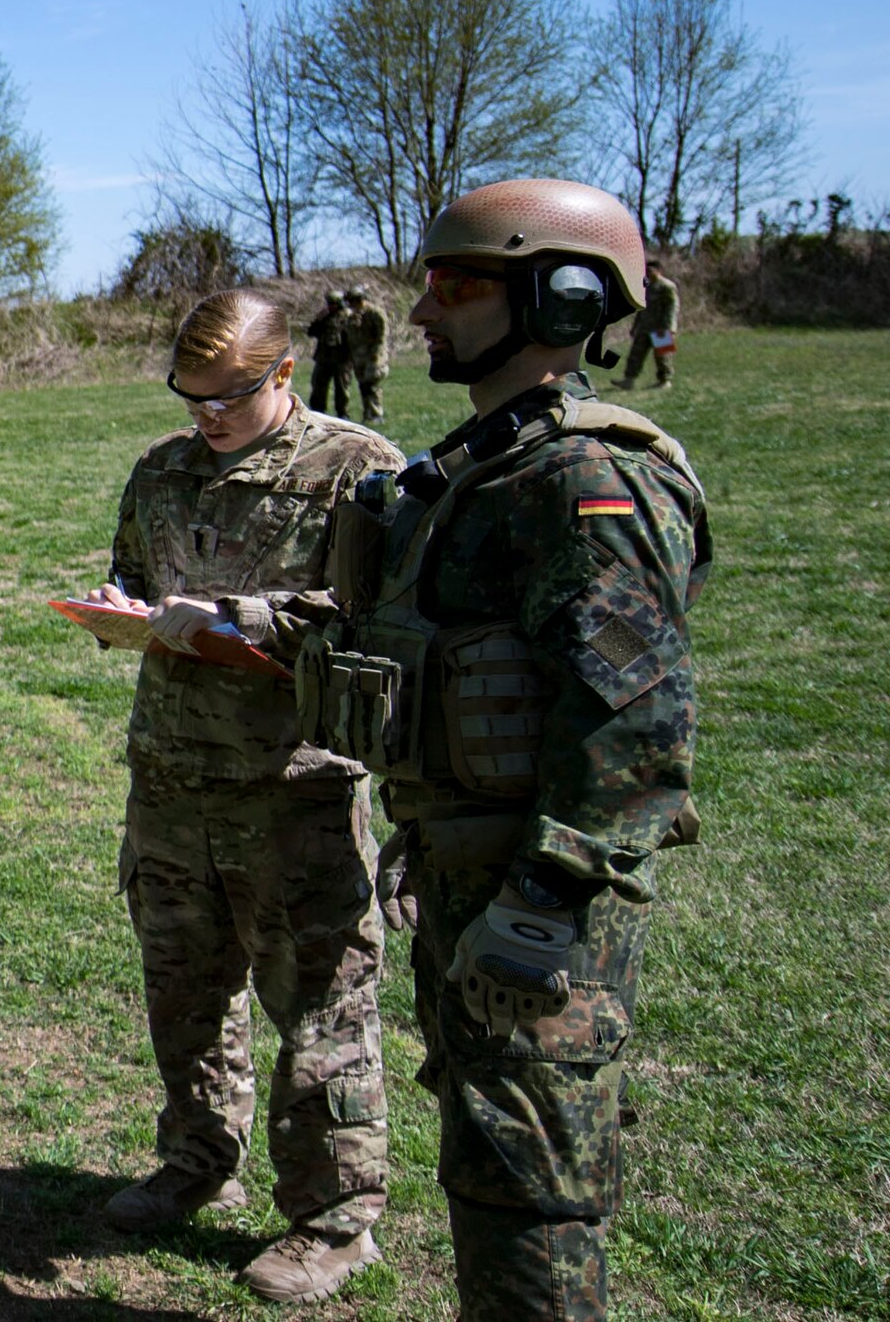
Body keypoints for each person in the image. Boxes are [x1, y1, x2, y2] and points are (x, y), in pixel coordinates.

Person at [298, 179, 710, 1318]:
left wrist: (538, 906)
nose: (423, 312)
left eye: (457, 283)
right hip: (466, 870)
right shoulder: (485, 462)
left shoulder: (585, 478)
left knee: (531, 1187)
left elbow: (633, 727)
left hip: (533, 896)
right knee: (489, 1167)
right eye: (428, 282)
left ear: (564, 299)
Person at [84, 289, 404, 1303]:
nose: (204, 419)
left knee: (316, 1011)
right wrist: (122, 613)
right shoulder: (162, 470)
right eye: (189, 398)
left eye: (226, 399)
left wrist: (243, 619)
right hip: (172, 785)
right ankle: (195, 1161)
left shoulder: (359, 472)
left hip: (291, 792)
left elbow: (378, 622)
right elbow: (132, 574)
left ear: (282, 377)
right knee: (183, 993)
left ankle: (332, 1219)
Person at [616, 256, 679, 389]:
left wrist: (670, 328)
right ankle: (629, 380)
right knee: (635, 354)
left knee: (663, 355)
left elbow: (672, 308)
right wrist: (635, 327)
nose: (648, 273)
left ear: (659, 271)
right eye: (647, 271)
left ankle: (665, 381)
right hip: (645, 327)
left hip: (661, 327)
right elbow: (641, 308)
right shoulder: (647, 287)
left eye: (651, 271)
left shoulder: (667, 286)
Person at [344, 285, 390, 422]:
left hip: (373, 356)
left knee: (372, 385)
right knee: (363, 385)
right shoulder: (352, 316)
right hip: (358, 356)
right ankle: (367, 414)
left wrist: (376, 355)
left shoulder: (375, 313)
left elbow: (382, 336)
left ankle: (376, 414)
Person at [306, 289, 353, 417]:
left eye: (333, 304)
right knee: (318, 385)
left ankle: (342, 413)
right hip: (323, 357)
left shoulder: (348, 316)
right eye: (329, 303)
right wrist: (318, 319)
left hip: (342, 359)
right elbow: (311, 332)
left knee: (342, 388)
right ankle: (317, 411)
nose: (330, 306)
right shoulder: (324, 316)